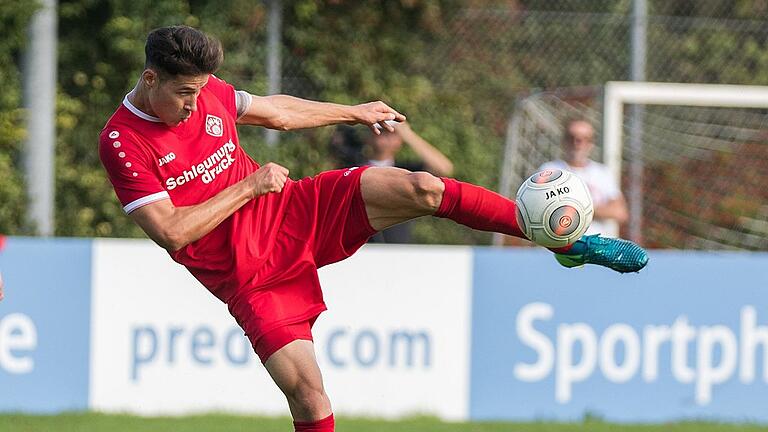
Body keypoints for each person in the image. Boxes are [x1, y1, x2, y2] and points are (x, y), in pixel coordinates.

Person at [99, 26, 647, 432]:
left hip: (294, 210)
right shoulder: (122, 141)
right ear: (151, 79)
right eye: (185, 95)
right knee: (311, 400)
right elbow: (171, 232)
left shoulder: (207, 92)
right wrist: (247, 186)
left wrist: (353, 111)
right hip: (250, 277)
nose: (196, 105)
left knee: (422, 188)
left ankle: (569, 242)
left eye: (200, 93)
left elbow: (278, 112)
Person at [330, 121, 453, 243]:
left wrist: (408, 135)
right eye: (379, 131)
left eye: (391, 133)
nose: (384, 136)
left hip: (397, 248)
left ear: (399, 140)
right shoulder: (353, 168)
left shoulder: (408, 173)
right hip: (361, 247)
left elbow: (444, 168)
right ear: (368, 136)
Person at [540, 117, 629, 237]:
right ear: (564, 141)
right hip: (559, 246)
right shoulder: (550, 170)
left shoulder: (602, 173)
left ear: (591, 143)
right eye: (572, 138)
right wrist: (597, 210)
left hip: (597, 247)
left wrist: (575, 209)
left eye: (584, 139)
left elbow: (619, 212)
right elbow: (544, 207)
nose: (578, 143)